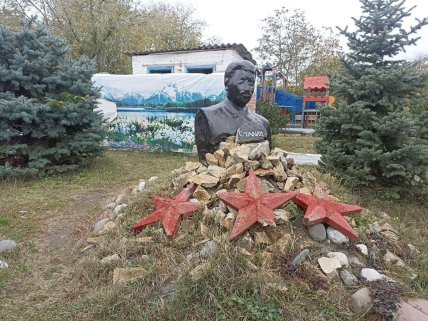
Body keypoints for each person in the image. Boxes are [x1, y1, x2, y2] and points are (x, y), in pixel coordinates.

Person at [194, 60, 271, 161]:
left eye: (251, 83)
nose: (248, 88)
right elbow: (205, 161)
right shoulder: (207, 116)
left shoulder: (263, 123)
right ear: (227, 83)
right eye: (241, 82)